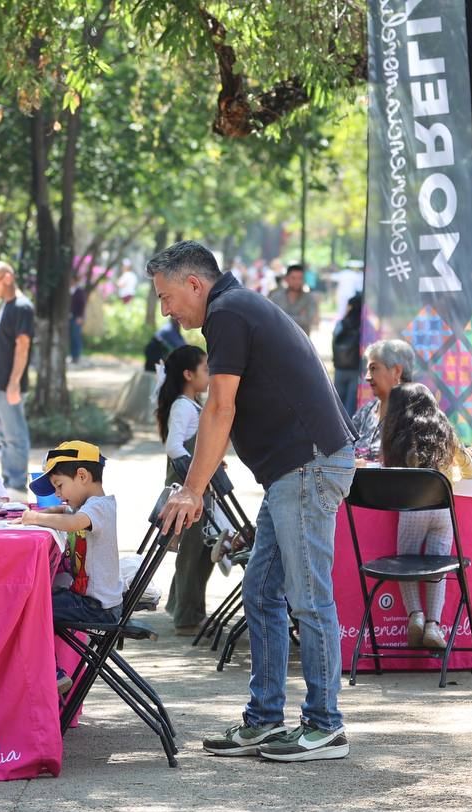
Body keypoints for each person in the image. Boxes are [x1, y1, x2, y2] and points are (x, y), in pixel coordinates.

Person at [152, 241, 356, 763]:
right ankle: (265, 719)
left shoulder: (228, 313)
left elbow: (220, 407)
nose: (166, 310)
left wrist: (192, 490)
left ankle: (325, 725)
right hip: (293, 470)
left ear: (194, 284)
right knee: (262, 593)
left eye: (167, 296)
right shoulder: (234, 308)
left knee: (309, 599)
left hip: (307, 466)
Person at [379, 382, 472, 649]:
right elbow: (470, 471)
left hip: (412, 510)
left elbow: (387, 476)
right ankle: (434, 625)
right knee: (438, 567)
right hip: (443, 511)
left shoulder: (398, 437)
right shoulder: (444, 432)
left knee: (406, 562)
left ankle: (416, 615)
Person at [19, 441, 120, 692]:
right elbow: (70, 511)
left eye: (59, 486)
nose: (58, 494)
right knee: (37, 597)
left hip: (97, 607)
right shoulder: (90, 505)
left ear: (82, 476)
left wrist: (36, 518)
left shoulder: (99, 507)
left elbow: (74, 522)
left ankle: (52, 673)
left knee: (31, 606)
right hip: (91, 601)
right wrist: (57, 508)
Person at [156, 345, 223, 635]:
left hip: (199, 487)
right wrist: (198, 474)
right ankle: (186, 616)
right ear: (188, 374)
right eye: (205, 369)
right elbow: (174, 446)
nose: (209, 374)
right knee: (193, 551)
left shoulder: (193, 405)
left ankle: (187, 608)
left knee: (202, 549)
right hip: (190, 489)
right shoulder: (183, 406)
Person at [0, 261, 33, 491]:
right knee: (3, 436)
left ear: (7, 278)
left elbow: (22, 345)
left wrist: (14, 382)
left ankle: (16, 483)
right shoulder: (6, 305)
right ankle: (7, 480)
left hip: (8, 385)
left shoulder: (22, 307)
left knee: (15, 436)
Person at [351, 339, 416, 460]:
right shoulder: (365, 413)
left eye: (374, 368)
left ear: (397, 371)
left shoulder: (416, 414)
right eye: (368, 370)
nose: (367, 377)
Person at [267, 264, 320, 337]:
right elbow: (271, 319)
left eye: (300, 278)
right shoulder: (276, 297)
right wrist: (300, 318)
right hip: (279, 339)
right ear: (286, 279)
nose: (297, 282)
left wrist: (282, 317)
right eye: (293, 278)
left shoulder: (309, 298)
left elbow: (308, 319)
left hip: (302, 341)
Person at [331, 291, 363, 411]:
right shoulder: (364, 326)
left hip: (340, 367)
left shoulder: (342, 323)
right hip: (355, 368)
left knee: (337, 404)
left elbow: (334, 339)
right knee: (350, 407)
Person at [69, 282, 87, 364]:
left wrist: (80, 316)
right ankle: (72, 355)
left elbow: (82, 304)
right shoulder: (69, 291)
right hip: (70, 316)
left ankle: (76, 356)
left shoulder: (79, 291)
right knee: (71, 337)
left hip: (77, 317)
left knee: (76, 336)